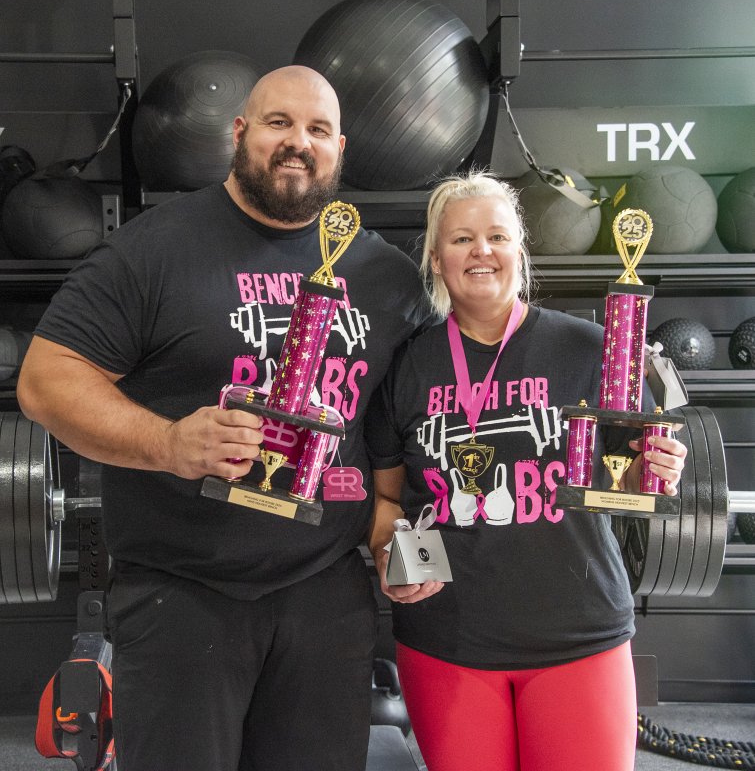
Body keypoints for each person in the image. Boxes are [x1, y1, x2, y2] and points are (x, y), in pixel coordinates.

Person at [17, 65, 431, 771]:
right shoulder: (154, 249)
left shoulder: (383, 273)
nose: (298, 142)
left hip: (324, 589)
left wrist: (408, 535)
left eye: (318, 130)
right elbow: (46, 382)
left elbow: (415, 417)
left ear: (340, 149)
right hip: (183, 591)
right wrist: (169, 443)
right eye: (278, 123)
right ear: (238, 133)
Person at [365, 170, 688, 771]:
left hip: (579, 636)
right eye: (461, 239)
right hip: (448, 642)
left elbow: (641, 472)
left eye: (496, 235)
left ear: (520, 250)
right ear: (436, 260)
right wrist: (390, 557)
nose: (480, 251)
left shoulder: (592, 350)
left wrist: (662, 468)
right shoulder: (406, 367)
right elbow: (388, 503)